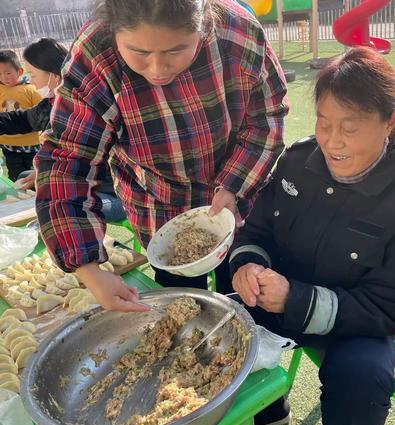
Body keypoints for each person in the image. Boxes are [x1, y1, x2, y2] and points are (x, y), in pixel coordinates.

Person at [229, 47, 395, 425]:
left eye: (350, 128)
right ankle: (268, 408)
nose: (332, 141)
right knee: (212, 308)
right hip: (278, 291)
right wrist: (247, 266)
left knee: (364, 379)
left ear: (389, 122)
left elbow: (390, 307)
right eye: (324, 124)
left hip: (354, 324)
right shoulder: (296, 161)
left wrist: (296, 299)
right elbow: (255, 230)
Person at [35, 0, 288, 311]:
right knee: (179, 307)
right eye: (139, 53)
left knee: (238, 293)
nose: (157, 70)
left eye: (175, 50)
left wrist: (234, 186)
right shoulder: (94, 55)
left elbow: (266, 118)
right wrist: (89, 269)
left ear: (204, 27)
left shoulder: (239, 33)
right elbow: (68, 160)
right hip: (156, 204)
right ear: (114, 31)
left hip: (236, 198)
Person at [0, 38, 126, 223]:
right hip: (76, 182)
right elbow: (21, 119)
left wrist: (52, 173)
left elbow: (95, 163)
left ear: (55, 76)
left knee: (64, 201)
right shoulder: (52, 104)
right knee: (24, 176)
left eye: (33, 76)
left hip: (110, 192)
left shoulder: (90, 108)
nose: (32, 83)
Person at [0, 50, 42, 181]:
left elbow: (41, 114)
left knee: (35, 177)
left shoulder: (31, 90)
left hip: (31, 146)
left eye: (8, 73)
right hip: (8, 145)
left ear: (20, 71)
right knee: (15, 177)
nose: (4, 78)